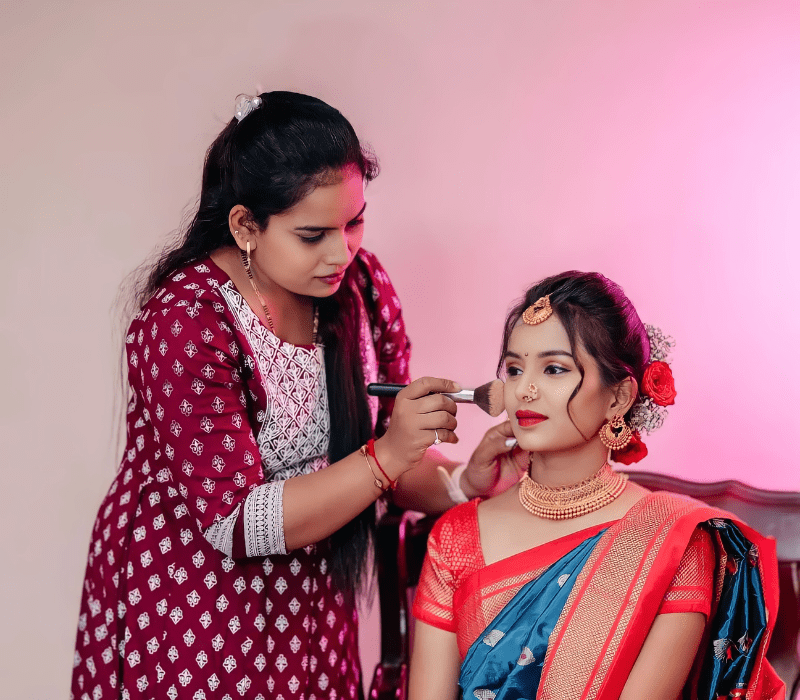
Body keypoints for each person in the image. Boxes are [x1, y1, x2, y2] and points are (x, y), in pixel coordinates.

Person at [70, 91, 518, 700]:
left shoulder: (360, 287)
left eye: (354, 221)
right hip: (192, 606)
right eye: (313, 234)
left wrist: (463, 482)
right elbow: (237, 522)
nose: (343, 252)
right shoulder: (187, 319)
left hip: (312, 611)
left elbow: (374, 467)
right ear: (245, 226)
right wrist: (389, 452)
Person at [409, 271, 784, 700]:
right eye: (514, 369)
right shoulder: (456, 535)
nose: (524, 391)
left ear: (619, 397)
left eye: (553, 368)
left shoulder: (672, 540)